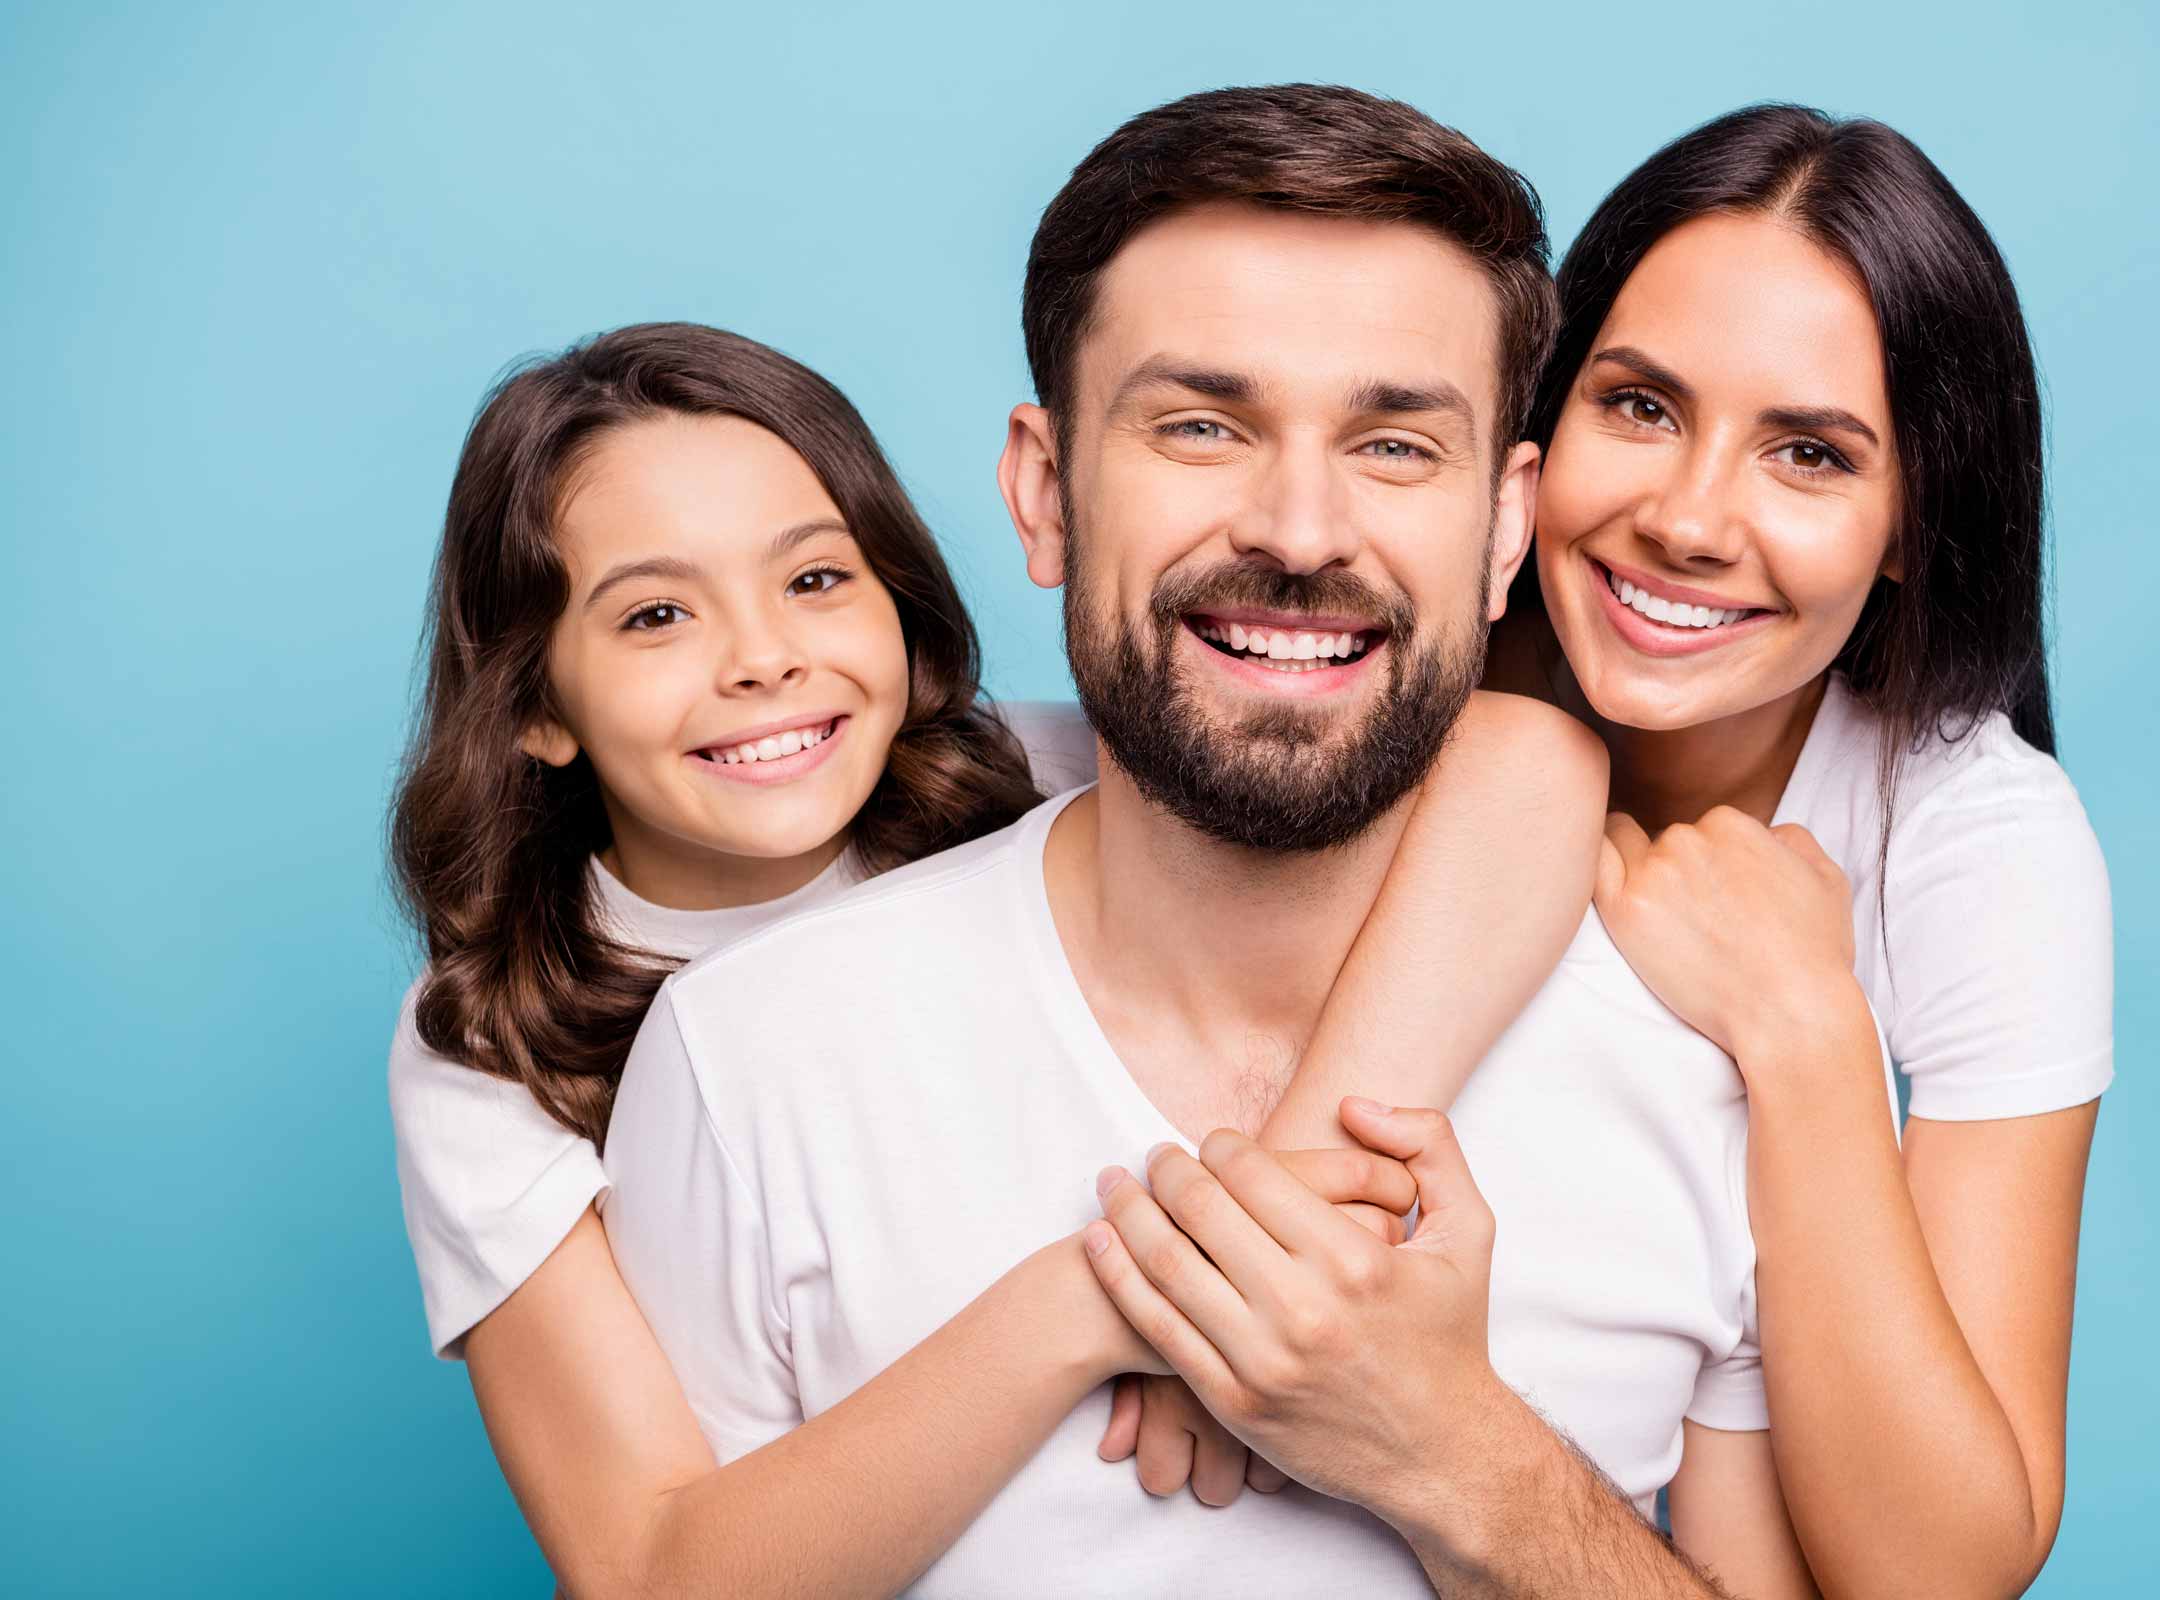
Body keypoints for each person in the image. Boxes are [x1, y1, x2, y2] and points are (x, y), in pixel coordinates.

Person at [602, 85, 1813, 1598]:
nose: (1301, 531)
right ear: (1047, 492)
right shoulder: (754, 1066)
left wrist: (1462, 1462)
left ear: (1508, 528)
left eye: (1393, 444)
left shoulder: (1706, 1075)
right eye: (1200, 425)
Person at [385, 320, 1594, 1593]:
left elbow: (1524, 763)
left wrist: (1269, 1220)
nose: (762, 659)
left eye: (812, 581)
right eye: (656, 614)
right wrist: (1123, 1299)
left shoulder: (1038, 778)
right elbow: (645, 1569)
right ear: (534, 702)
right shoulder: (485, 1041)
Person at [1105, 104, 2111, 1599]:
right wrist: (1279, 1229)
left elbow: (1941, 1569)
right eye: (1639, 407)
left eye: (1811, 455)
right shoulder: (1382, 638)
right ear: (1536, 435)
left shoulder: (1975, 843)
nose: (1690, 520)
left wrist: (1805, 1035)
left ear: (1916, 522)